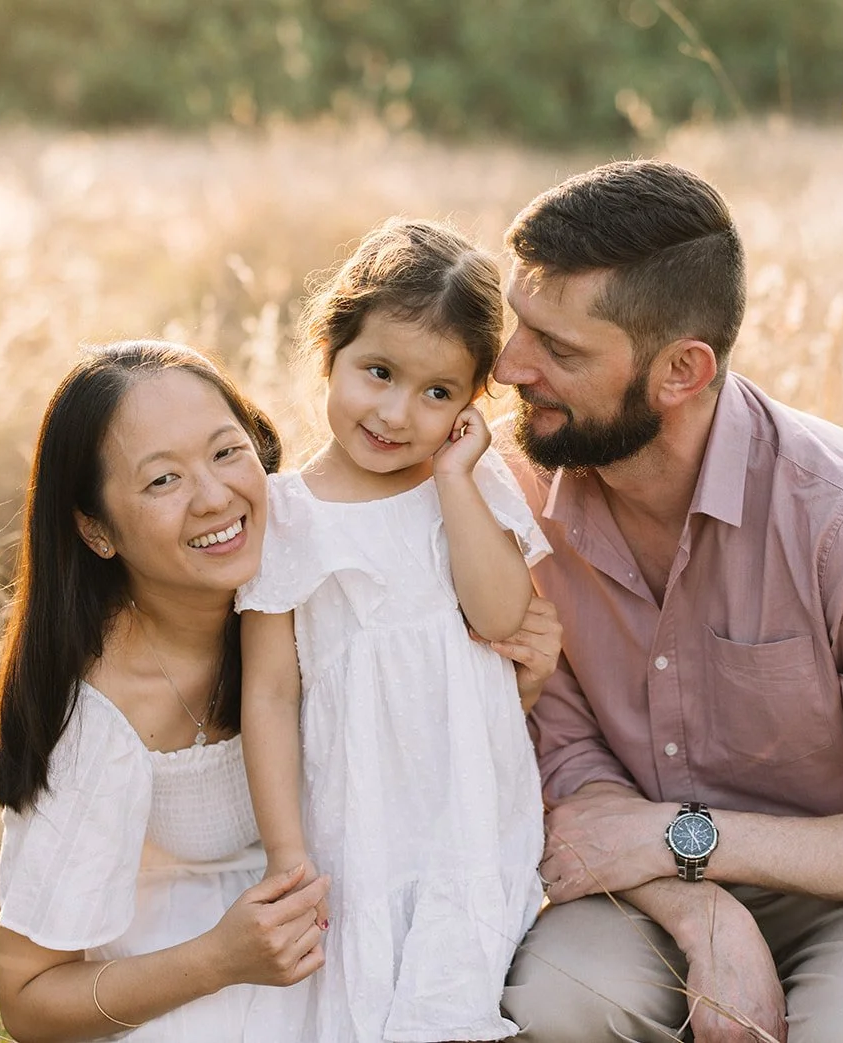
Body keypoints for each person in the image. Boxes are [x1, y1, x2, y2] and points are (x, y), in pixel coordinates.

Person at [494, 161, 843, 1043]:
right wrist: (703, 909)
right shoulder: (511, 497)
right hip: (636, 885)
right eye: (520, 322)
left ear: (681, 371)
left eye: (561, 348)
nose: (511, 364)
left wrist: (687, 837)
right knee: (561, 999)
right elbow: (570, 772)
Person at [237, 218, 552, 1043]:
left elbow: (501, 615)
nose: (396, 412)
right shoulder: (288, 515)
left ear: (471, 401)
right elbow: (268, 693)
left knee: (465, 991)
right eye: (377, 372)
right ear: (328, 350)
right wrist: (286, 853)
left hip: (471, 806)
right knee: (371, 1002)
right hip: (359, 818)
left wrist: (452, 478)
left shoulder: (472, 484)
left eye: (437, 392)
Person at [0, 341, 330, 1041]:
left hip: (351, 932)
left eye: (227, 452)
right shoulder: (100, 715)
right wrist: (219, 958)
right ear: (96, 530)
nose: (213, 497)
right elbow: (27, 999)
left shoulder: (330, 571)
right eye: (162, 480)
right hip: (199, 984)